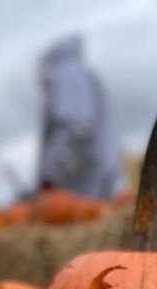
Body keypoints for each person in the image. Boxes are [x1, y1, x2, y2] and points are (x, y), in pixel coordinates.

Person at [37, 34, 121, 200]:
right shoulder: (83, 73)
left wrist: (50, 175)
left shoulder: (66, 73)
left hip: (84, 181)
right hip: (97, 172)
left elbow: (75, 125)